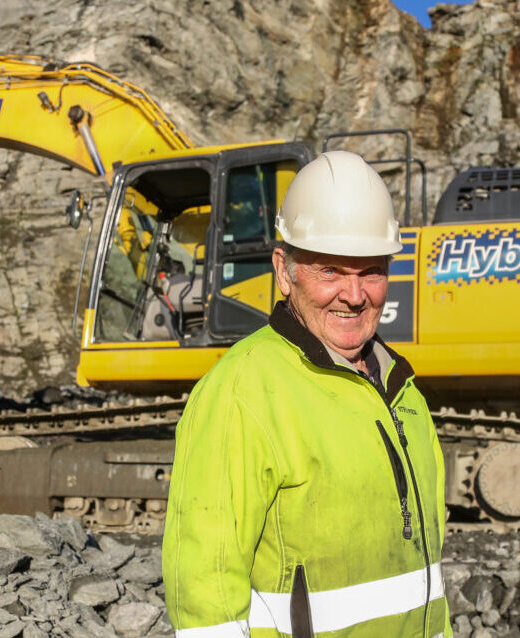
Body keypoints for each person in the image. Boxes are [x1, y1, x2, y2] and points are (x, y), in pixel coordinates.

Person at [162, 151, 451, 638]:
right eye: (330, 271)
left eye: (371, 272)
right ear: (284, 270)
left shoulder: (403, 390)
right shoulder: (243, 391)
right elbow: (205, 585)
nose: (355, 295)